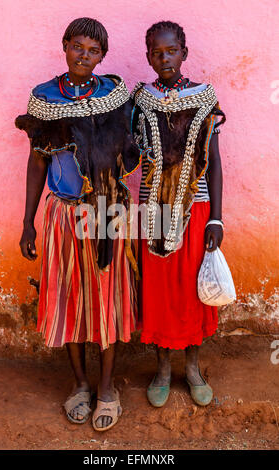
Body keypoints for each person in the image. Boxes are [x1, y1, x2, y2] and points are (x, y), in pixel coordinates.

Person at [15, 17, 140, 431]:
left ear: (102, 56)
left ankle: (107, 388)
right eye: (78, 47)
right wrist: (28, 222)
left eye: (94, 51)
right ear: (65, 45)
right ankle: (80, 384)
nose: (84, 56)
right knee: (69, 298)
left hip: (109, 212)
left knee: (107, 298)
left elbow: (130, 149)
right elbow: (38, 162)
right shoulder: (44, 98)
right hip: (65, 213)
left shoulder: (114, 94)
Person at [132, 21, 225, 407]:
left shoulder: (204, 98)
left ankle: (193, 367)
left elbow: (214, 163)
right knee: (160, 289)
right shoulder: (139, 99)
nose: (164, 57)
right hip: (152, 208)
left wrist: (216, 218)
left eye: (171, 50)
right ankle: (163, 368)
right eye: (156, 52)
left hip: (195, 206)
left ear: (184, 53)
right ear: (149, 56)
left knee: (190, 288)